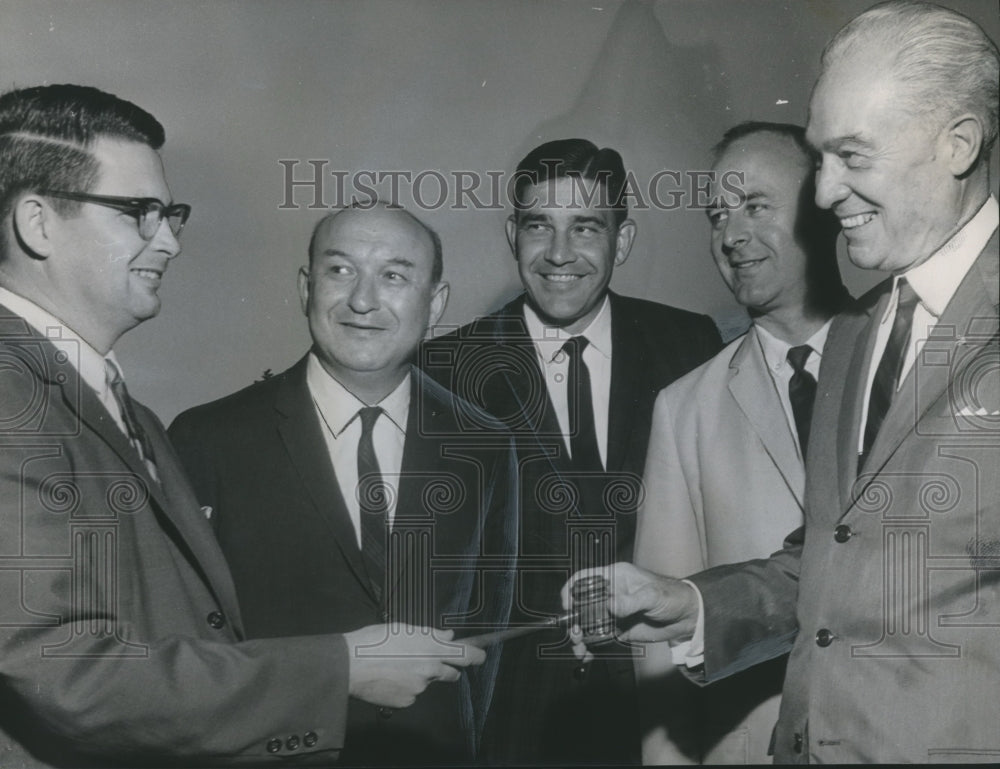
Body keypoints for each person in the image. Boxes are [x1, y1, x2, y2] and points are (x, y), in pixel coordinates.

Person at [0, 84, 485, 768]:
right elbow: (69, 673)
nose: (168, 239)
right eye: (138, 212)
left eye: (170, 214)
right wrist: (338, 667)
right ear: (37, 223)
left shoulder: (121, 408)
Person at [565, 1, 1000, 763]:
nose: (825, 194)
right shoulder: (860, 336)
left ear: (958, 143)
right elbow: (834, 562)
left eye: (852, 158)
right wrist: (695, 600)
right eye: (819, 157)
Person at [169, 202, 518, 765]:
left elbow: (488, 636)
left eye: (395, 276)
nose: (363, 300)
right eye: (340, 270)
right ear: (306, 287)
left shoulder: (485, 443)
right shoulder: (207, 437)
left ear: (436, 303)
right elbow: (189, 650)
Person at [421, 138, 722, 765]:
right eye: (539, 226)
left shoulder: (689, 342)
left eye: (585, 227)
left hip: (665, 693)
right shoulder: (445, 369)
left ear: (624, 239)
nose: (559, 254)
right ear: (513, 235)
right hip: (515, 713)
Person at [634, 122, 847, 765]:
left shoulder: (911, 361)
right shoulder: (683, 409)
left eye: (755, 206)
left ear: (824, 207)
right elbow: (657, 644)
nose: (730, 235)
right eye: (717, 215)